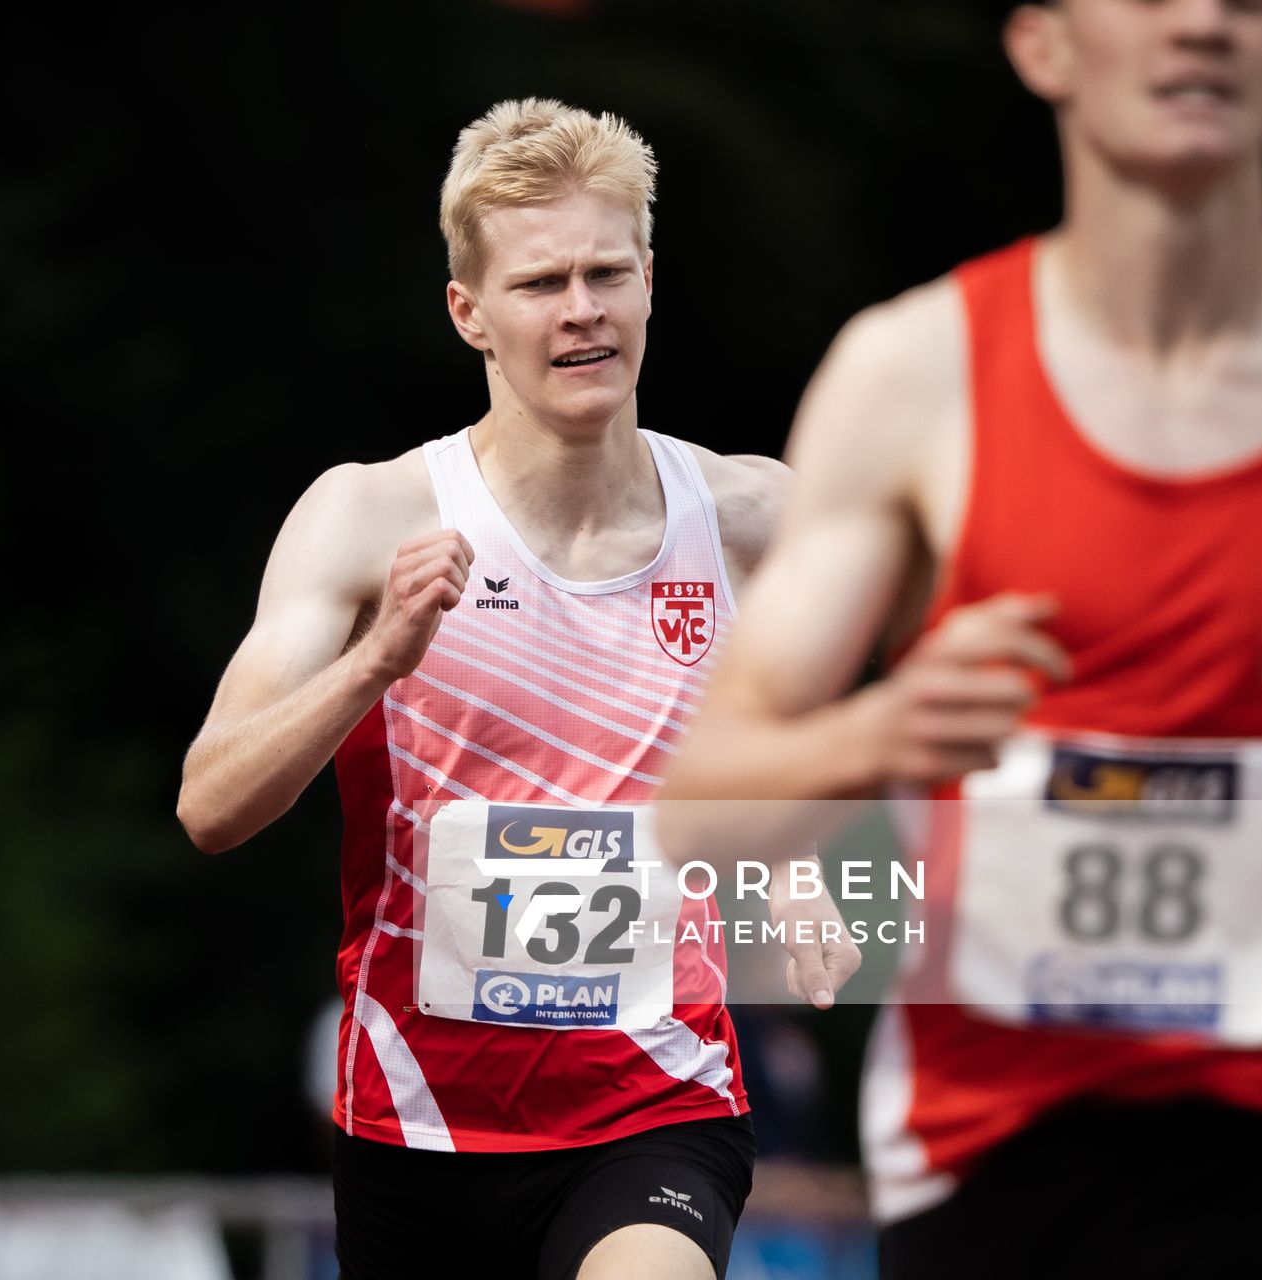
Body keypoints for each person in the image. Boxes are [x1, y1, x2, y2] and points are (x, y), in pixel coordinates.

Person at [663, 2, 1262, 1275]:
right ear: (1043, 47)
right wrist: (883, 729)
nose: (1200, 19)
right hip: (992, 1146)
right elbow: (699, 809)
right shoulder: (914, 376)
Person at [179, 98, 855, 1280]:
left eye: (608, 271)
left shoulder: (752, 519)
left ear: (651, 279)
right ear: (470, 312)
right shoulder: (371, 517)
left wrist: (794, 871)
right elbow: (211, 804)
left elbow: (798, 733)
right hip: (418, 1125)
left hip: (656, 1103)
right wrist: (375, 661)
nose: (583, 309)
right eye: (543, 282)